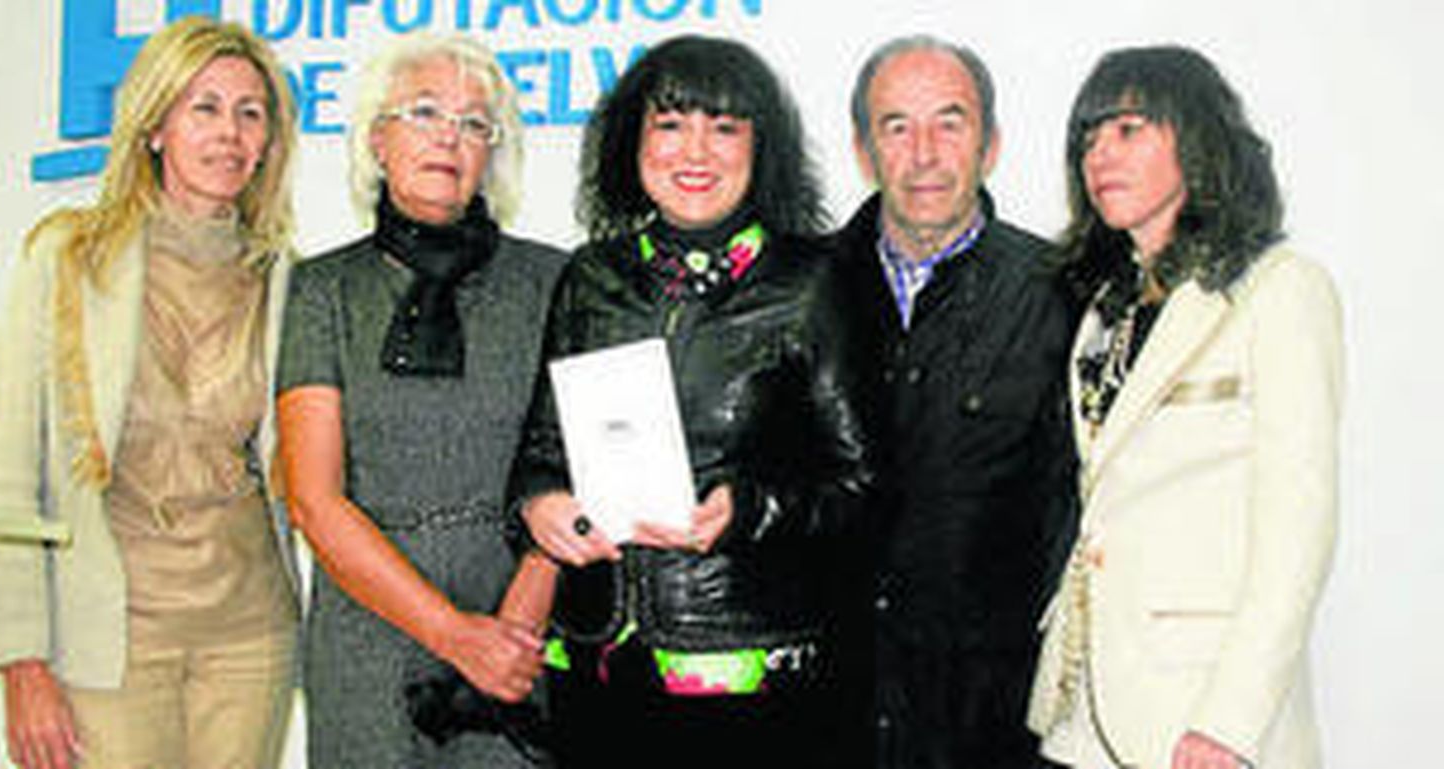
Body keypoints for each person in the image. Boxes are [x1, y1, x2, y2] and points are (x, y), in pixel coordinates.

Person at [505, 34, 875, 768]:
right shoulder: (590, 277)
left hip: (750, 680)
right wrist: (540, 506)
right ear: (631, 143)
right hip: (598, 668)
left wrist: (749, 508)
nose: (695, 152)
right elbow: (539, 455)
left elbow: (862, 485)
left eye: (724, 127)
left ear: (759, 147)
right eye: (671, 125)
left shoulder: (813, 283)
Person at [0, 17, 300, 769]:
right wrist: (21, 661)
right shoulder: (69, 255)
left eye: (250, 113)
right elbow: (8, 468)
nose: (230, 133)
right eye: (206, 108)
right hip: (113, 633)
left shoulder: (283, 275)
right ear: (155, 125)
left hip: (250, 634)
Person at [1026, 45, 1343, 769]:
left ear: (1197, 140)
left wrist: (1230, 721)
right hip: (1088, 708)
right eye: (1088, 137)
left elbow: (1300, 529)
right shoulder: (1106, 308)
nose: (1100, 154)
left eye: (1129, 129)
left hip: (1207, 720)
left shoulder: (1280, 290)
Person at [273, 34, 567, 769]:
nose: (449, 135)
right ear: (378, 138)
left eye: (474, 123)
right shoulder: (321, 290)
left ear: (492, 152)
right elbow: (312, 498)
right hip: (364, 626)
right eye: (425, 111)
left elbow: (576, 467)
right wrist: (454, 635)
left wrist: (508, 633)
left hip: (518, 621)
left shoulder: (556, 281)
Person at [830, 35, 1078, 769]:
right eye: (896, 126)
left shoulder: (1061, 292)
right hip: (830, 713)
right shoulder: (804, 290)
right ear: (863, 148)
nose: (925, 152)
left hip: (990, 724)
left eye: (950, 122)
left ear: (991, 143)